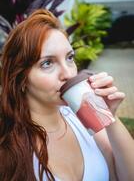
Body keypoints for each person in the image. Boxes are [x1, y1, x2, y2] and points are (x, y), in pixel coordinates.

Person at [0, 9, 134, 181]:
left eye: (70, 58)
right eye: (47, 63)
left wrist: (109, 117)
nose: (69, 74)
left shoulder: (81, 118)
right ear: (21, 78)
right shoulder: (9, 149)